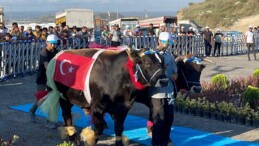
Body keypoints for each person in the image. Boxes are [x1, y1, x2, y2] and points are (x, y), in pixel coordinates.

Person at [148, 23, 178, 146]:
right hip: (157, 93)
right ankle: (156, 143)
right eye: (165, 42)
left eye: (169, 43)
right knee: (158, 120)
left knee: (169, 119)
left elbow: (175, 72)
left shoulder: (170, 56)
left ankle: (165, 142)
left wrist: (174, 76)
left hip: (169, 93)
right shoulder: (152, 55)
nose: (167, 45)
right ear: (159, 41)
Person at [29, 34, 59, 115]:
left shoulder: (56, 51)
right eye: (51, 43)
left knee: (52, 96)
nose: (53, 45)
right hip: (43, 77)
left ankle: (49, 115)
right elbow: (46, 65)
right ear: (47, 42)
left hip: (52, 77)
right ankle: (34, 108)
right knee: (40, 95)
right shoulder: (44, 52)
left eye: (54, 43)